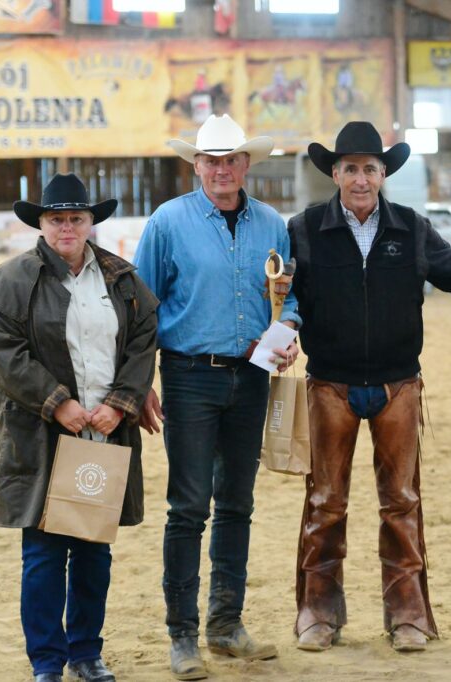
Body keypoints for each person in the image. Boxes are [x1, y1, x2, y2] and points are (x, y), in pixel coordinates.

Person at [288, 121, 451, 653]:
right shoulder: (304, 229)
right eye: (351, 168)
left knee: (401, 502)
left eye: (370, 169)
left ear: (383, 174)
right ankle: (318, 613)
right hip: (329, 384)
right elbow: (283, 295)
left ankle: (408, 615)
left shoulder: (412, 228)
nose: (361, 179)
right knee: (325, 503)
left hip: (398, 384)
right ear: (335, 173)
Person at [0, 173, 158, 682]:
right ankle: (48, 662)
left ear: (91, 221)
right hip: (38, 435)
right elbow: (5, 357)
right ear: (42, 224)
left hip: (103, 432)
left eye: (76, 218)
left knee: (95, 551)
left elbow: (142, 342)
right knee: (44, 554)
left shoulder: (122, 280)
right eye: (57, 219)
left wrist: (121, 403)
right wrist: (57, 404)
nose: (67, 227)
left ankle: (87, 653)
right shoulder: (12, 282)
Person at [133, 114, 300, 680]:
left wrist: (286, 330)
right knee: (188, 506)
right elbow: (142, 305)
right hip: (188, 376)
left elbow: (287, 294)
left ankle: (225, 625)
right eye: (212, 160)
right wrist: (139, 381)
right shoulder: (167, 222)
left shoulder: (272, 224)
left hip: (251, 376)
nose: (222, 169)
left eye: (231, 160)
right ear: (197, 165)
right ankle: (182, 634)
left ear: (246, 164)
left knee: (236, 503)